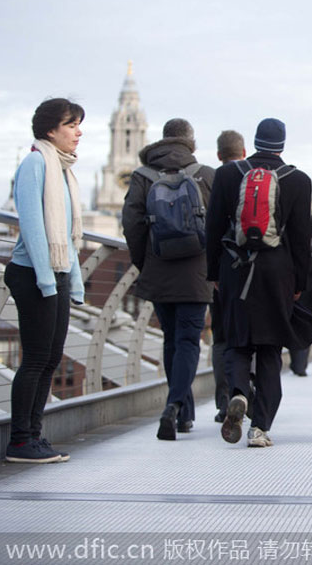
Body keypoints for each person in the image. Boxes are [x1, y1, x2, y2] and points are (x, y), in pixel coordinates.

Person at [206, 117, 312, 448]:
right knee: (269, 349)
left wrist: (214, 273)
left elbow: (212, 229)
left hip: (235, 269)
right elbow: (301, 239)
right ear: (282, 144)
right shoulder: (299, 180)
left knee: (237, 343)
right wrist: (299, 283)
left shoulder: (226, 175)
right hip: (277, 272)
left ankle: (238, 392)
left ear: (253, 142)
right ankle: (259, 428)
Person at [3, 98, 86, 463]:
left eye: (79, 125)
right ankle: (20, 440)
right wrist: (47, 280)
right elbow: (34, 229)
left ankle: (35, 436)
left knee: (51, 358)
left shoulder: (64, 171)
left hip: (57, 273)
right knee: (36, 357)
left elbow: (68, 236)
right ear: (51, 129)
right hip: (34, 274)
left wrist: (75, 281)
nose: (78, 132)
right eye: (71, 125)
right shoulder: (36, 164)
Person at [122, 118, 215, 441]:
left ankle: (183, 414)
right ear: (191, 142)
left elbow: (131, 225)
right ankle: (175, 407)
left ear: (163, 140)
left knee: (171, 339)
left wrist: (143, 261)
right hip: (196, 272)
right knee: (189, 341)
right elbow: (220, 227)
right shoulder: (205, 175)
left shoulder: (142, 176)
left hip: (158, 269)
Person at [210, 130, 246, 422]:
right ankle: (247, 391)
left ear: (218, 154)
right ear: (243, 152)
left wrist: (212, 273)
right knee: (249, 336)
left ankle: (224, 400)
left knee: (221, 339)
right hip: (250, 271)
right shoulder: (256, 176)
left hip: (220, 271)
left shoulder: (213, 177)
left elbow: (211, 229)